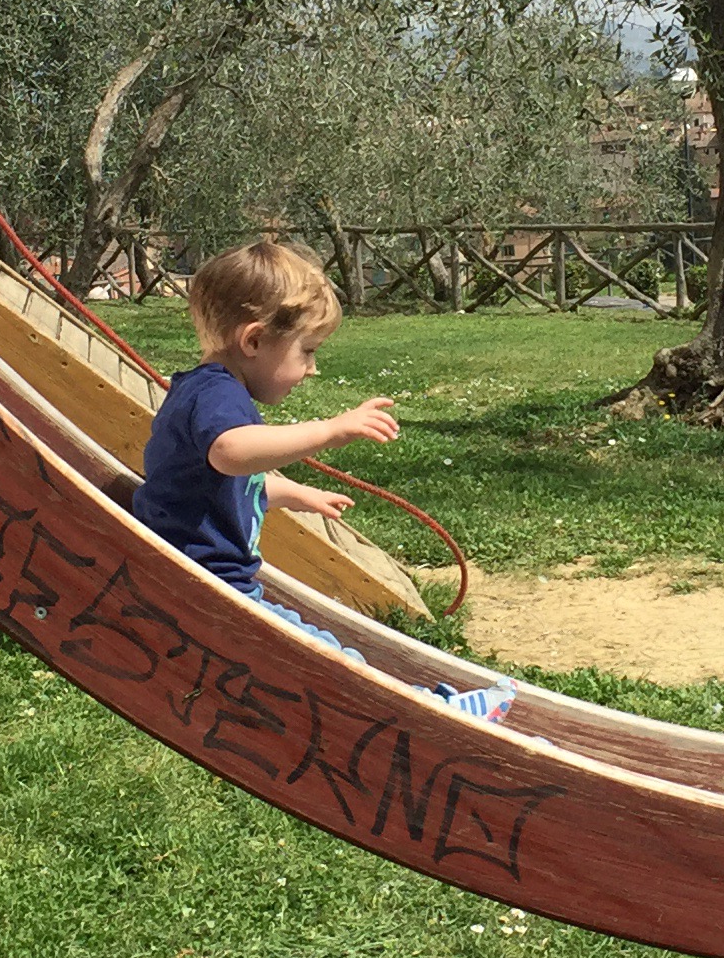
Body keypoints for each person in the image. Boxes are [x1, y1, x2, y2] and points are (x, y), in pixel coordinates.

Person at [131, 240, 514, 721]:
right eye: (307, 350)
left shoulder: (204, 389)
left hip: (207, 578)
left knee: (321, 645)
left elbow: (213, 487)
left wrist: (292, 493)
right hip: (207, 585)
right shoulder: (217, 396)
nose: (312, 368)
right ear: (254, 341)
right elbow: (229, 454)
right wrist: (329, 431)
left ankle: (430, 702)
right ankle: (433, 713)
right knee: (324, 660)